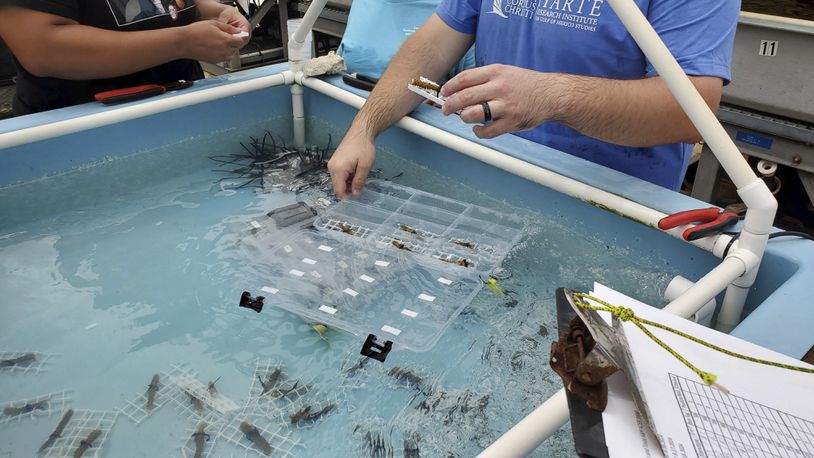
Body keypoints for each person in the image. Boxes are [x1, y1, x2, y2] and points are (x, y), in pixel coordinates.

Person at [327, 0, 740, 197]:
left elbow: (691, 110)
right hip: (491, 175)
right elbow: (430, 48)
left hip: (613, 200)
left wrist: (550, 95)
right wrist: (364, 127)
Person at [0, 0, 249, 115]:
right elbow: (44, 49)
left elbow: (170, 5)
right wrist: (182, 41)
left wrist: (219, 12)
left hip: (180, 108)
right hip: (79, 133)